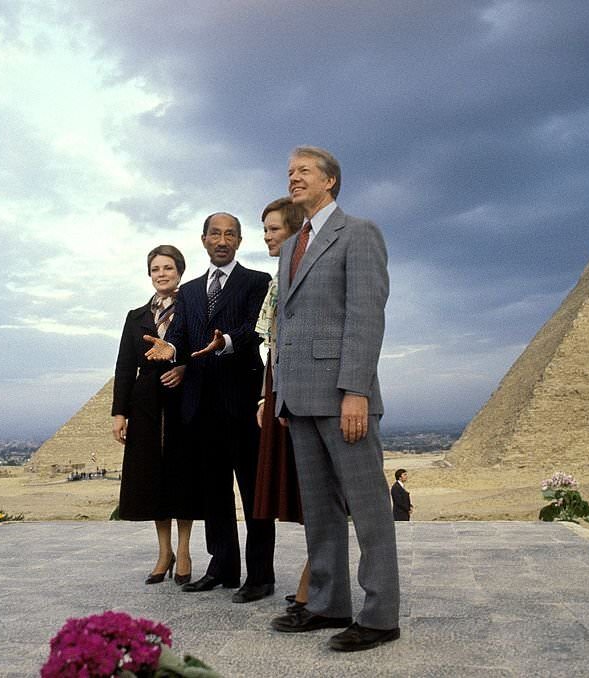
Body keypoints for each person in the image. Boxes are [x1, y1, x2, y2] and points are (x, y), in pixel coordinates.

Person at [270, 146, 401, 652]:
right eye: (289, 172)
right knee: (320, 513)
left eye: (303, 171)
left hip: (343, 395)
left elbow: (366, 318)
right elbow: (289, 324)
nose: (293, 178)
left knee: (369, 511)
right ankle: (328, 604)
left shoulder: (360, 232)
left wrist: (356, 392)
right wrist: (282, 395)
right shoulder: (291, 245)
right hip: (299, 399)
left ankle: (380, 615)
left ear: (331, 181)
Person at [144, 213, 276, 604]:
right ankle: (223, 567)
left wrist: (226, 343)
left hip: (242, 402)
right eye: (215, 234)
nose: (222, 240)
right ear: (203, 240)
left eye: (229, 234)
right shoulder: (189, 291)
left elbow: (256, 329)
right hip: (200, 407)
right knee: (214, 493)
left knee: (254, 493)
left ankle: (261, 575)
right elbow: (182, 337)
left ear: (239, 240)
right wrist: (172, 350)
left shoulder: (257, 282)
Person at [111, 245, 196, 586]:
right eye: (155, 269)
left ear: (180, 271)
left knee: (183, 474)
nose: (161, 273)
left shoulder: (194, 310)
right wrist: (119, 412)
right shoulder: (135, 316)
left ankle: (186, 550)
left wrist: (185, 369)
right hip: (145, 402)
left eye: (168, 267)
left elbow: (205, 350)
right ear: (149, 274)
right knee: (154, 477)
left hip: (183, 399)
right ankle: (164, 552)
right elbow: (123, 366)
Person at [252, 197, 312, 613]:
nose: (267, 236)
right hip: (279, 386)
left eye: (273, 229)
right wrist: (265, 394)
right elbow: (271, 346)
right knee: (297, 482)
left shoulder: (302, 275)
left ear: (293, 230)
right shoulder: (277, 280)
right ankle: (316, 572)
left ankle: (315, 574)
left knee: (313, 486)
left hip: (303, 387)